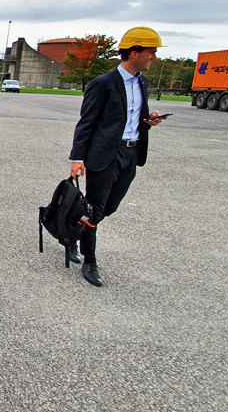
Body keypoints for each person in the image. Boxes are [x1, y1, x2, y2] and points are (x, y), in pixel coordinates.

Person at [68, 26, 168, 287]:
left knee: (108, 208)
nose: (153, 57)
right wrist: (77, 158)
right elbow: (86, 123)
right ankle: (90, 260)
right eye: (150, 52)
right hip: (105, 155)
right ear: (134, 53)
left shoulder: (142, 82)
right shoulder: (103, 84)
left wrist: (149, 121)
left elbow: (133, 117)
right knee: (96, 208)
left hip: (131, 153)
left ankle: (70, 233)